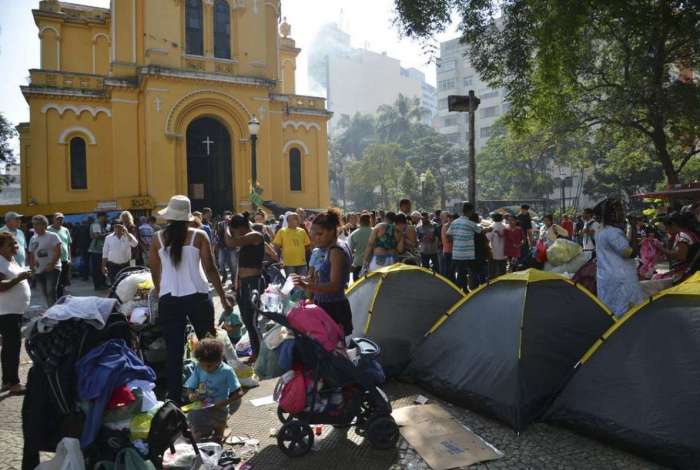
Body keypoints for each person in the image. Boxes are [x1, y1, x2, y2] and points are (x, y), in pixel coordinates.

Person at [150, 195, 229, 402]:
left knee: (174, 352)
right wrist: (222, 296)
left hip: (169, 300)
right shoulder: (199, 235)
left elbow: (154, 269)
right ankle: (215, 391)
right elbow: (210, 268)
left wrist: (160, 291)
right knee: (208, 346)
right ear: (187, 216)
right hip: (198, 297)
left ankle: (175, 397)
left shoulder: (158, 238)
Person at [294, 209, 354, 336]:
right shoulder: (334, 247)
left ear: (332, 231)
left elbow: (334, 286)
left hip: (333, 308)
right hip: (326, 305)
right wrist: (304, 280)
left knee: (334, 350)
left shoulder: (336, 251)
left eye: (319, 234)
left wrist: (307, 286)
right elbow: (323, 278)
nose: (315, 239)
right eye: (313, 235)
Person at [184, 337, 243, 442]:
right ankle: (201, 434)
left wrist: (224, 402)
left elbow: (239, 392)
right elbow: (190, 387)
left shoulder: (227, 371)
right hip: (202, 403)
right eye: (203, 365)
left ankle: (219, 434)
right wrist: (191, 395)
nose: (206, 369)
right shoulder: (199, 368)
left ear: (219, 360)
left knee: (219, 423)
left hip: (220, 405)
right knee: (194, 420)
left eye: (209, 366)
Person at [594, 198, 645, 317]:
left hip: (608, 277)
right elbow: (630, 253)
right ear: (611, 215)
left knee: (611, 312)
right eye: (619, 211)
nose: (623, 214)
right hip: (621, 279)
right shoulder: (613, 233)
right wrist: (633, 228)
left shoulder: (602, 231)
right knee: (626, 313)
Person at [226, 214, 265, 363]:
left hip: (253, 283)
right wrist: (236, 284)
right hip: (243, 283)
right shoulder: (246, 240)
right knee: (246, 320)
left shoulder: (255, 235)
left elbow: (230, 242)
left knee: (252, 320)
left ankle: (258, 353)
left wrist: (226, 227)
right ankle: (257, 352)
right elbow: (240, 266)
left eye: (234, 230)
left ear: (240, 228)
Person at [0, 232, 31, 395]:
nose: (15, 247)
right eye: (10, 244)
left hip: (14, 311)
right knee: (12, 347)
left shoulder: (10, 259)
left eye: (15, 243)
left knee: (9, 347)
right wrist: (19, 279)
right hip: (6, 312)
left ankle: (7, 380)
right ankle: (14, 383)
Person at [447, 203, 485, 292]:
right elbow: (480, 231)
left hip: (457, 253)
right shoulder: (470, 223)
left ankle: (462, 290)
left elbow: (448, 235)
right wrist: (489, 229)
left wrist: (457, 239)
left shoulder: (454, 222)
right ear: (471, 211)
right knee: (474, 271)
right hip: (468, 254)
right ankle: (474, 289)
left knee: (461, 273)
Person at [27, 215, 62, 307]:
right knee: (45, 292)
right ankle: (52, 309)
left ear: (44, 225)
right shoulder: (33, 238)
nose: (35, 226)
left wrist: (52, 264)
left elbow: (58, 252)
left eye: (38, 224)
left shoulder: (53, 236)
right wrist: (32, 268)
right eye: (34, 224)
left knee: (51, 291)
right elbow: (31, 254)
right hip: (39, 270)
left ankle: (53, 313)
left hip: (53, 268)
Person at [655, 212, 699, 282]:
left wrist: (661, 248)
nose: (666, 229)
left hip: (688, 274)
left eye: (666, 227)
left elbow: (680, 256)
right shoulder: (686, 233)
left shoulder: (683, 235)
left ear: (673, 224)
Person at [48, 212, 72, 298]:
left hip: (64, 260)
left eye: (61, 219)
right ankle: (53, 300)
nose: (59, 220)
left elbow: (68, 245)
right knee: (54, 282)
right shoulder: (48, 230)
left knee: (63, 282)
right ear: (53, 219)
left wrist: (69, 258)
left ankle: (61, 299)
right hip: (53, 260)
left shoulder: (65, 230)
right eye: (58, 218)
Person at [347, 213, 373, 280]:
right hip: (372, 263)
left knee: (358, 287)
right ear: (370, 221)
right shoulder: (375, 232)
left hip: (358, 264)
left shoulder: (354, 234)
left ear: (360, 222)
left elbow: (349, 251)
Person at [89, 212, 110, 290]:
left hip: (102, 250)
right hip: (96, 250)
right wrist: (108, 234)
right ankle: (98, 285)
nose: (106, 218)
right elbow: (96, 236)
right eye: (105, 217)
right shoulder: (96, 224)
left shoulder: (103, 224)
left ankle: (103, 283)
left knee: (103, 267)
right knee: (97, 268)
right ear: (100, 217)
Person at [216, 211, 237, 285]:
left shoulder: (234, 224)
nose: (227, 217)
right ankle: (224, 276)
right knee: (220, 263)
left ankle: (233, 279)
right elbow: (218, 235)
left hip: (232, 247)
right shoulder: (220, 224)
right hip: (222, 247)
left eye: (229, 216)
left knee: (233, 264)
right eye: (225, 215)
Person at [487, 213, 507, 278]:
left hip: (494, 252)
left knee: (493, 272)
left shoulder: (492, 227)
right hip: (504, 252)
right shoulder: (505, 227)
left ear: (493, 219)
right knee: (502, 271)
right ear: (501, 219)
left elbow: (487, 239)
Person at [440, 213, 454, 278]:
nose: (451, 220)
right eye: (450, 218)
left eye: (452, 219)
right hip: (448, 250)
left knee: (451, 269)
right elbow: (448, 239)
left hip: (452, 251)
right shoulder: (445, 227)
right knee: (448, 269)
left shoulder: (447, 226)